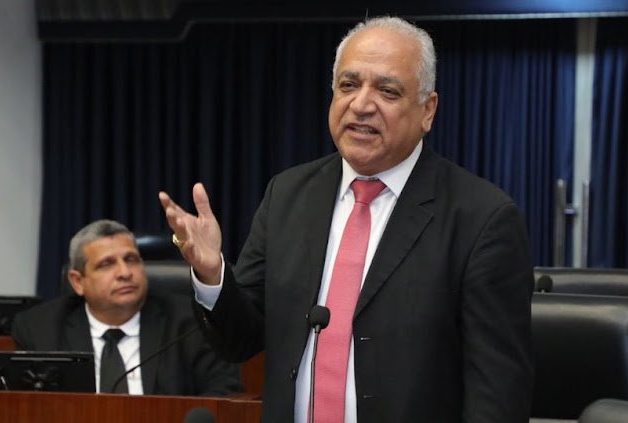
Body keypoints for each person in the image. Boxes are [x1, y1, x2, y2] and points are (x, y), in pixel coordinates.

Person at [159, 16, 534, 422]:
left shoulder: (482, 218)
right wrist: (213, 274)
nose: (361, 105)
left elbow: (497, 393)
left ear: (427, 110)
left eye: (387, 91)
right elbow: (241, 340)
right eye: (348, 85)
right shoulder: (288, 194)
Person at [12, 219, 242, 396]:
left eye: (131, 259)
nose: (124, 273)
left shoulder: (190, 323)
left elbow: (224, 394)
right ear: (78, 282)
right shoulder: (40, 329)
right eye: (107, 264)